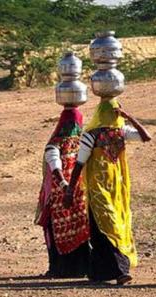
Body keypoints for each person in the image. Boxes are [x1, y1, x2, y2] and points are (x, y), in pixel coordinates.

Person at [64, 98, 152, 285]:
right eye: (112, 112)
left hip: (117, 188)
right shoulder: (91, 135)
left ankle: (99, 272)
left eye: (117, 112)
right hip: (98, 188)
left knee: (110, 225)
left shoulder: (121, 132)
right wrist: (70, 190)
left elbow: (146, 137)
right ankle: (121, 271)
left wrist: (130, 118)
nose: (115, 115)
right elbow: (79, 164)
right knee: (109, 224)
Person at [35, 105, 90, 278]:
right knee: (74, 229)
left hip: (68, 194)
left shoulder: (61, 143)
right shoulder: (74, 143)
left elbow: (55, 167)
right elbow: (55, 167)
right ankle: (71, 268)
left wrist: (67, 188)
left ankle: (62, 268)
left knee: (68, 230)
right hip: (69, 194)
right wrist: (67, 188)